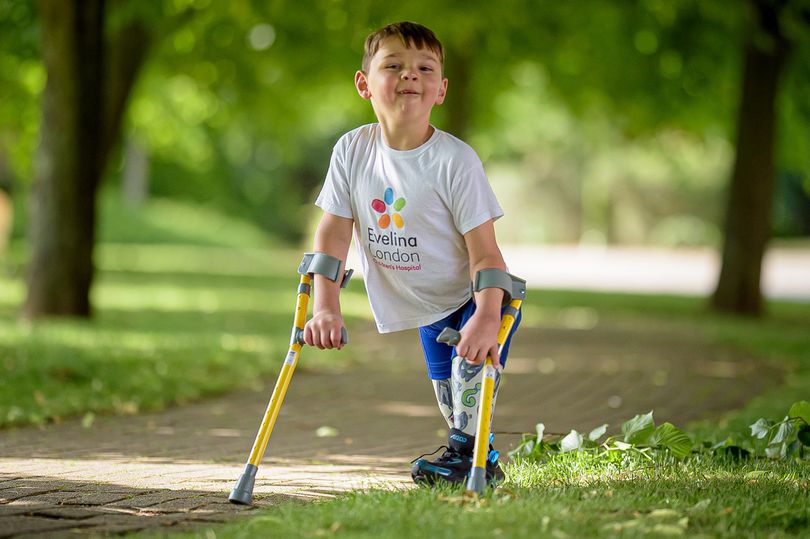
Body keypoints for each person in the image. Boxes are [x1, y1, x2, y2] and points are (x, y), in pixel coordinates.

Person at [303, 21, 521, 487]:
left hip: (474, 299)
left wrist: (486, 316)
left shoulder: (455, 162)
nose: (410, 76)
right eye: (394, 65)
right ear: (365, 84)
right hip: (426, 307)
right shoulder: (352, 150)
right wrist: (325, 307)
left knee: (469, 374)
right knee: (451, 399)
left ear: (441, 89)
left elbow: (485, 253)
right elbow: (334, 236)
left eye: (425, 68)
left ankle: (470, 464)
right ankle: (477, 455)